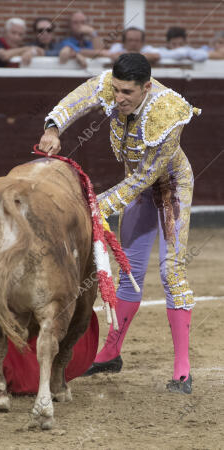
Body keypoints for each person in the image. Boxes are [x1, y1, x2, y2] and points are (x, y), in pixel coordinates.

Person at [39, 53, 202, 394]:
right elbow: (77, 100)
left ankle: (182, 371)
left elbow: (145, 177)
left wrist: (96, 207)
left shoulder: (168, 111)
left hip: (169, 186)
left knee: (172, 272)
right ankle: (111, 352)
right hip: (137, 190)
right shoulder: (110, 86)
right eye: (116, 90)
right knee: (128, 270)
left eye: (127, 92)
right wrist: (53, 128)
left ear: (146, 87)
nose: (119, 98)